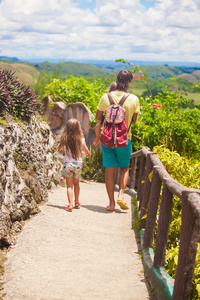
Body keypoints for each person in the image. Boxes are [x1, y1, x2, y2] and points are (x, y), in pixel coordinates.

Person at [96, 70, 140, 212]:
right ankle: (121, 195)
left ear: (117, 79)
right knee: (124, 168)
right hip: (124, 140)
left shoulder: (105, 97)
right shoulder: (134, 99)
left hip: (107, 140)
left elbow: (98, 118)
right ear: (130, 82)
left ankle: (111, 203)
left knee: (109, 171)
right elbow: (133, 121)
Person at [57, 118, 90, 212]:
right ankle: (77, 202)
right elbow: (87, 152)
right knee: (76, 184)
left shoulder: (65, 139)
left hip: (68, 164)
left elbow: (59, 148)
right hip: (78, 164)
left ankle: (70, 204)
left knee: (69, 186)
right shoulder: (81, 140)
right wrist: (81, 153)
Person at [93, 82, 117, 147]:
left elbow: (97, 117)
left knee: (97, 126)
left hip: (106, 119)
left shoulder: (106, 97)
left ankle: (97, 138)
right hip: (118, 119)